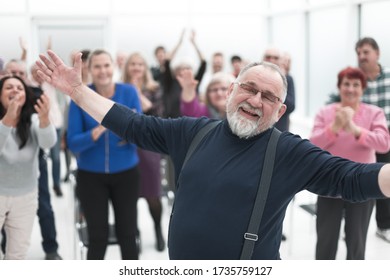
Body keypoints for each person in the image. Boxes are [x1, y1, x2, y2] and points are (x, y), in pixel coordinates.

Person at [36, 50, 390, 260]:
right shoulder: (194, 132)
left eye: (268, 97)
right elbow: (132, 124)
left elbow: (352, 179)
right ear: (231, 91)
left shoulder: (287, 152)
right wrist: (78, 92)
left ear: (279, 113)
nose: (255, 100)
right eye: (249, 88)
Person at [66, 49, 141, 260]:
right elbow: (73, 143)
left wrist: (125, 130)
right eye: (97, 66)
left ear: (114, 67)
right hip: (91, 177)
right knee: (97, 237)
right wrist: (98, 131)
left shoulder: (129, 93)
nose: (103, 71)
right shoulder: (79, 97)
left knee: (127, 234)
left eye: (106, 65)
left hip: (126, 173)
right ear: (90, 69)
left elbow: (140, 133)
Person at [310, 67, 390, 259]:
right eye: (346, 84)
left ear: (363, 89)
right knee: (325, 242)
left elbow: (384, 144)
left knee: (357, 242)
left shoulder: (374, 113)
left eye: (356, 85)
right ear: (339, 87)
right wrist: (335, 127)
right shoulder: (325, 112)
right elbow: (312, 145)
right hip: (329, 182)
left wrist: (355, 129)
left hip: (363, 183)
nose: (351, 89)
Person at [3, 58, 63, 260]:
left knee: (19, 250)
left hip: (28, 183)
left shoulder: (35, 107)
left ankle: (51, 249)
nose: (15, 87)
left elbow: (47, 142)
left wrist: (45, 120)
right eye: (9, 83)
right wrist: (8, 120)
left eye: (20, 79)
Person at [122, 52, 166, 252]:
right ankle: (134, 234)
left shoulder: (154, 89)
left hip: (148, 146)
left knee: (152, 194)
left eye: (140, 64)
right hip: (125, 146)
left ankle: (157, 229)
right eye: (133, 64)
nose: (136, 67)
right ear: (127, 67)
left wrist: (136, 92)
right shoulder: (118, 89)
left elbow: (156, 115)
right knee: (129, 196)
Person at [355, 37, 390, 243]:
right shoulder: (355, 80)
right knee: (360, 179)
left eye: (365, 52)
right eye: (359, 53)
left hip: (387, 135)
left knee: (386, 180)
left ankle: (384, 226)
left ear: (377, 53)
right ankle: (352, 226)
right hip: (364, 137)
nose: (361, 56)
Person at [30, 64, 64, 197]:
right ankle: (39, 186)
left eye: (39, 72)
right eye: (34, 72)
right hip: (38, 127)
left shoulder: (50, 84)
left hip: (55, 124)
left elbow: (55, 69)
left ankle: (57, 184)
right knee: (39, 159)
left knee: (55, 157)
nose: (37, 75)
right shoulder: (29, 88)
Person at [161, 29, 207, 118]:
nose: (185, 71)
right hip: (171, 123)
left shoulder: (194, 83)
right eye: (182, 68)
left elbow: (204, 63)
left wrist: (194, 43)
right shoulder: (170, 83)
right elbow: (167, 61)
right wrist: (179, 42)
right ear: (176, 71)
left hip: (192, 122)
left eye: (188, 68)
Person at [263, 48, 295, 132]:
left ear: (280, 60)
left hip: (279, 129)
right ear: (263, 58)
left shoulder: (288, 78)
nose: (271, 60)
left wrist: (282, 80)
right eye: (268, 57)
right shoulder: (256, 76)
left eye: (275, 58)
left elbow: (291, 106)